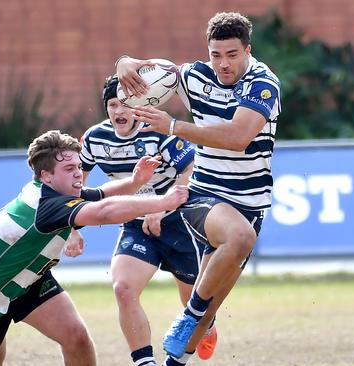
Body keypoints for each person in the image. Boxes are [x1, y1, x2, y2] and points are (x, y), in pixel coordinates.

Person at [0, 129, 189, 366]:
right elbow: (104, 212)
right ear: (46, 175)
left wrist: (135, 181)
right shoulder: (46, 206)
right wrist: (160, 202)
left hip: (26, 279)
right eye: (69, 168)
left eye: (78, 166)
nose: (78, 173)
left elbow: (100, 194)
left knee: (77, 338)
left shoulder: (55, 192)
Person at [115, 12, 281, 365]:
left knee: (208, 312)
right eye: (215, 55)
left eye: (232, 55)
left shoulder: (263, 84)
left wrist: (174, 126)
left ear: (248, 50)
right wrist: (124, 63)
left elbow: (238, 138)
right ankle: (189, 315)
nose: (223, 64)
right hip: (203, 193)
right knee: (239, 240)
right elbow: (145, 69)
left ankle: (185, 339)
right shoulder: (193, 75)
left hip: (250, 204)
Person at [66, 75, 215, 365]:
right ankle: (144, 362)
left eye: (125, 104)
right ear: (105, 108)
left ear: (137, 105)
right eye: (112, 105)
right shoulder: (96, 138)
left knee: (195, 305)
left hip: (178, 221)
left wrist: (162, 206)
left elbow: (191, 170)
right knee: (123, 288)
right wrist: (72, 228)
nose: (119, 111)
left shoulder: (157, 131)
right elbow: (76, 184)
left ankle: (206, 325)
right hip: (136, 223)